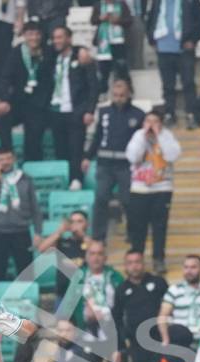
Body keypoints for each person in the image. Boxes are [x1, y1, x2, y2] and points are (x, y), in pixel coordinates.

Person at [86, 78, 145, 242]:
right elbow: (98, 136)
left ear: (129, 95)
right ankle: (98, 237)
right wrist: (87, 157)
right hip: (105, 163)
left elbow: (142, 141)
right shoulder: (104, 112)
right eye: (116, 95)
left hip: (127, 165)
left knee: (128, 201)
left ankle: (133, 235)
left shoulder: (138, 114)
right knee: (101, 198)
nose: (118, 98)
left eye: (122, 95)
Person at [0, 145, 42, 284]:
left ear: (14, 159)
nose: (5, 162)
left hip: (21, 231)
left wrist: (38, 232)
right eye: (1, 159)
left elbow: (35, 207)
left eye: (8, 158)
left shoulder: (25, 179)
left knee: (26, 274)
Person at [125, 110, 180, 272]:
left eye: (155, 121)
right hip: (140, 188)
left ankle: (158, 259)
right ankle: (136, 260)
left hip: (162, 187)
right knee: (138, 228)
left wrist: (159, 136)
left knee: (160, 227)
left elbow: (172, 156)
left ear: (161, 123)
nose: (151, 124)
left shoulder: (167, 136)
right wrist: (144, 136)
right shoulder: (137, 136)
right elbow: (133, 157)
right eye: (148, 121)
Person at [45, 26, 98, 189]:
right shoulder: (51, 57)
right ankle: (63, 180)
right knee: (60, 149)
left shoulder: (81, 56)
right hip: (56, 110)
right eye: (54, 38)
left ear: (69, 38)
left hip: (76, 111)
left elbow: (93, 85)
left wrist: (90, 110)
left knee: (76, 148)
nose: (57, 41)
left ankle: (77, 180)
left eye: (60, 37)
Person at [111, 250, 168, 362]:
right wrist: (121, 344)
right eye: (130, 263)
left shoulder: (158, 282)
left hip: (161, 342)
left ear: (144, 264)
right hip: (138, 345)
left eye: (137, 262)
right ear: (125, 266)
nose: (134, 266)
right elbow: (116, 318)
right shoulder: (122, 289)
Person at [0, 22, 49, 162]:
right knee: (1, 116)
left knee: (33, 141)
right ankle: (7, 152)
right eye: (30, 34)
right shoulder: (16, 52)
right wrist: (4, 100)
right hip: (19, 101)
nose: (33, 38)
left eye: (36, 34)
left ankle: (32, 170)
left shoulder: (48, 52)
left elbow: (68, 48)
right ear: (24, 35)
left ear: (41, 36)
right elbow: (5, 77)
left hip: (39, 105)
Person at [147, 0, 200, 128]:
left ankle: (191, 114)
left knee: (188, 83)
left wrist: (193, 40)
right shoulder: (157, 2)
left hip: (184, 49)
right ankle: (169, 113)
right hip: (163, 50)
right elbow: (150, 19)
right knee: (168, 85)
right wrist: (151, 39)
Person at [159, 254, 200, 349]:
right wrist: (166, 340)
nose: (189, 271)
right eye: (186, 267)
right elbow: (163, 317)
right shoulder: (174, 290)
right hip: (180, 343)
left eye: (193, 267)